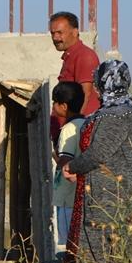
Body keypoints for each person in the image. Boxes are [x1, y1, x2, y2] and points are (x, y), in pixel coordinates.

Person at [59, 59, 132, 263]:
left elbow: (99, 153)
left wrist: (73, 167)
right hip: (104, 193)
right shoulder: (122, 111)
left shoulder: (118, 115)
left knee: (102, 255)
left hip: (108, 198)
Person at [50, 81, 85, 251]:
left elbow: (65, 163)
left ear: (63, 106)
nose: (53, 107)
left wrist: (55, 156)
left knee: (65, 243)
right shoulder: (86, 123)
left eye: (54, 103)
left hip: (66, 197)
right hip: (78, 196)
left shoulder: (69, 129)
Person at [49, 11, 101, 125]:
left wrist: (75, 127)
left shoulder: (84, 56)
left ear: (75, 32)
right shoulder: (70, 56)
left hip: (77, 131)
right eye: (52, 33)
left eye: (60, 32)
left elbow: (85, 95)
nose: (55, 38)